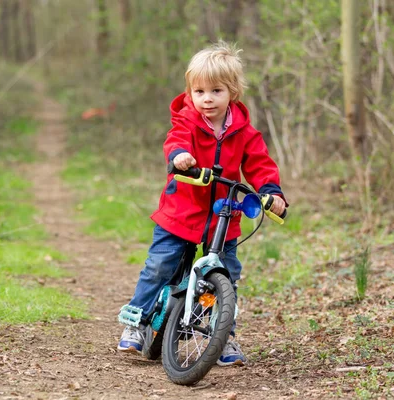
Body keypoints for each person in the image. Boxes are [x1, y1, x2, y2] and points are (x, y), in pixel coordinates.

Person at [117, 40, 287, 366]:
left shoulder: (245, 133)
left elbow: (260, 164)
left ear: (232, 92)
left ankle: (222, 336)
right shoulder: (187, 121)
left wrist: (272, 192)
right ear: (190, 93)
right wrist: (180, 156)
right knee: (159, 266)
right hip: (181, 211)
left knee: (227, 275)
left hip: (223, 217)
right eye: (199, 92)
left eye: (216, 91)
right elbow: (175, 140)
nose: (206, 99)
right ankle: (136, 323)